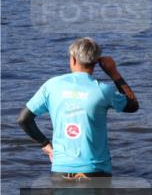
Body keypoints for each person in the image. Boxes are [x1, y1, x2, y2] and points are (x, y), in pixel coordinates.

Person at [17, 37, 139, 179]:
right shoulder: (103, 90)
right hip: (96, 170)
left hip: (61, 169)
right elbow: (133, 105)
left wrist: (46, 145)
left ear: (73, 60)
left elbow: (23, 119)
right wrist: (113, 72)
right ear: (95, 63)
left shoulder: (51, 86)